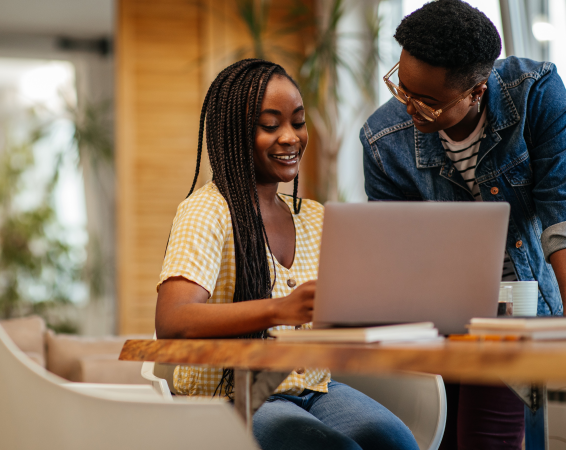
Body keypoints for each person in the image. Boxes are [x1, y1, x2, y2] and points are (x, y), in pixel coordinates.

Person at [359, 0, 566, 449]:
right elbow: (397, 248)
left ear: (477, 90)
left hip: (526, 307)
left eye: (427, 102)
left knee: (513, 438)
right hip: (439, 320)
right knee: (442, 433)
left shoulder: (535, 92)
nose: (409, 108)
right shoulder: (381, 139)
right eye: (401, 88)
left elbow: (563, 201)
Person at [156, 58, 419, 450]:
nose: (290, 137)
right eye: (270, 125)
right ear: (234, 133)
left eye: (298, 121)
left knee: (395, 441)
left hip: (313, 388)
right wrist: (280, 308)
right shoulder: (206, 211)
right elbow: (173, 321)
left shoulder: (314, 216)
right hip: (233, 395)